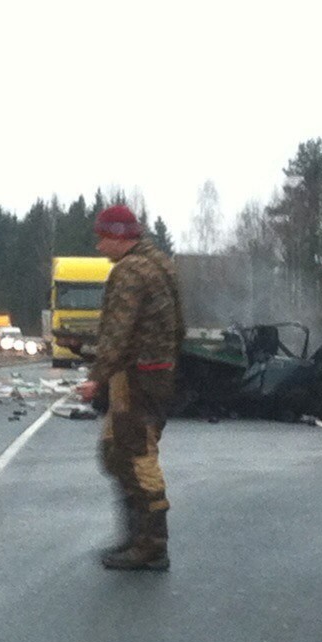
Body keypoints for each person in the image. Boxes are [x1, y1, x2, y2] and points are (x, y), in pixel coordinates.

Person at [77, 204, 184, 571]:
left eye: (102, 238)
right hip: (156, 372)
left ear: (119, 236)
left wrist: (96, 376)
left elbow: (117, 332)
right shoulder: (161, 264)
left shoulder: (129, 271)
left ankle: (152, 545)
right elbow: (179, 325)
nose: (99, 246)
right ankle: (137, 537)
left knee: (137, 456)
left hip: (137, 375)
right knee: (115, 453)